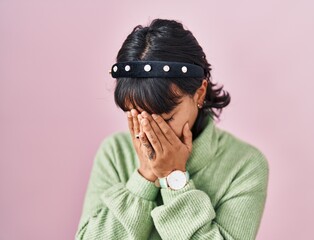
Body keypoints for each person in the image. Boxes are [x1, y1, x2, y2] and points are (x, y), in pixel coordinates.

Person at [75, 18, 269, 240]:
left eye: (165, 119)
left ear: (200, 92)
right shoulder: (114, 152)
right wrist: (145, 176)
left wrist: (173, 178)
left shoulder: (244, 165)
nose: (147, 133)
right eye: (137, 117)